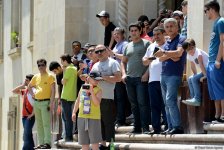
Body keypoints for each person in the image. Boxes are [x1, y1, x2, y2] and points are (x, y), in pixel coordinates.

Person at [154, 18, 186, 134]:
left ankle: (177, 126)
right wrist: (169, 54)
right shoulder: (167, 42)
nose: (169, 29)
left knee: (170, 100)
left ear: (177, 27)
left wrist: (165, 53)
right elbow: (162, 58)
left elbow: (178, 54)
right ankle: (170, 126)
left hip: (174, 75)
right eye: (167, 27)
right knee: (166, 102)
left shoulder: (182, 39)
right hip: (164, 74)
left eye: (172, 26)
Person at [121, 22, 150, 134]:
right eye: (131, 31)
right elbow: (123, 62)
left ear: (140, 31)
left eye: (135, 30)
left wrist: (146, 74)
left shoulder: (147, 44)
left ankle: (146, 128)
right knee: (134, 105)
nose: (133, 32)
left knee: (142, 104)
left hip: (141, 79)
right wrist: (123, 74)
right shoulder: (127, 46)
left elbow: (152, 60)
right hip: (129, 79)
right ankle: (137, 128)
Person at [91, 44, 121, 149]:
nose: (99, 53)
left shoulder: (113, 62)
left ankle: (111, 146)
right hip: (96, 98)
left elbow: (118, 78)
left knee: (109, 123)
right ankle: (102, 144)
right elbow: (92, 81)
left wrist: (103, 77)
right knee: (99, 123)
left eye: (101, 50)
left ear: (107, 51)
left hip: (108, 97)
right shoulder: (95, 65)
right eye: (97, 51)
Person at [142, 27, 167, 134]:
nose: (156, 37)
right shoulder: (151, 46)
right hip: (152, 80)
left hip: (165, 79)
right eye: (154, 35)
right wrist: (151, 58)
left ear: (163, 34)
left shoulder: (168, 45)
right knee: (154, 105)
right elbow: (144, 61)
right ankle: (156, 128)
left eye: (158, 34)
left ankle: (167, 126)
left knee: (165, 104)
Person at [28, 59, 55, 149]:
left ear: (45, 66)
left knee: (46, 123)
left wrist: (51, 103)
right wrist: (32, 95)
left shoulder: (50, 76)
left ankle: (47, 143)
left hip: (45, 102)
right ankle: (41, 143)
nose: (41, 67)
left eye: (42, 65)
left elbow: (53, 90)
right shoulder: (36, 76)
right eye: (39, 65)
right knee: (39, 124)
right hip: (37, 102)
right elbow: (29, 86)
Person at [204, 0, 224, 123]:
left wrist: (218, 60)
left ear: (212, 9)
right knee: (214, 91)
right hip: (211, 61)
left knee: (220, 89)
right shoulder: (215, 23)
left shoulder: (221, 22)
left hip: (217, 62)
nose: (205, 14)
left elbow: (223, 41)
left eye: (206, 11)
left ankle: (222, 115)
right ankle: (217, 115)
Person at [72, 76, 102, 150]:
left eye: (98, 80)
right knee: (84, 144)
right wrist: (74, 112)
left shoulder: (99, 90)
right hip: (82, 117)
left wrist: (91, 92)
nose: (97, 81)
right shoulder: (82, 88)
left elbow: (97, 103)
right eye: (95, 79)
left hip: (94, 118)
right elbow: (78, 100)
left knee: (95, 144)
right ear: (88, 78)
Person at [109, 27, 130, 127]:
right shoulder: (116, 45)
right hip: (115, 75)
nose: (116, 35)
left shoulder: (125, 44)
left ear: (122, 35)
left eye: (118, 33)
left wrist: (113, 54)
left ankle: (121, 119)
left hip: (122, 74)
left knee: (121, 98)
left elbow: (125, 57)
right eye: (114, 34)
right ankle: (119, 118)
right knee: (118, 98)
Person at [181, 39, 208, 106]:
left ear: (194, 46)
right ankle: (193, 98)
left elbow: (201, 65)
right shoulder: (189, 55)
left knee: (194, 79)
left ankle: (197, 99)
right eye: (187, 50)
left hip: (208, 70)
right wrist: (195, 75)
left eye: (191, 48)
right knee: (190, 78)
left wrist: (205, 76)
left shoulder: (198, 53)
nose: (190, 51)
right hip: (204, 70)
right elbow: (193, 66)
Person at [12, 74, 35, 150]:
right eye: (25, 80)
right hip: (24, 116)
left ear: (31, 81)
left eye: (27, 80)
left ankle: (24, 148)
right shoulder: (25, 91)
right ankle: (32, 148)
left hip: (30, 116)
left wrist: (32, 114)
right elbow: (14, 91)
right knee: (28, 134)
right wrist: (22, 86)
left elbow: (36, 103)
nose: (25, 81)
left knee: (26, 134)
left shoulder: (34, 90)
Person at [60, 54, 78, 141]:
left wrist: (64, 72)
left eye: (62, 61)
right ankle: (68, 136)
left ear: (64, 61)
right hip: (72, 95)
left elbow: (63, 81)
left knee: (66, 118)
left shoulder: (68, 69)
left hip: (66, 95)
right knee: (68, 117)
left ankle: (68, 137)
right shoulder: (74, 68)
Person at [49, 61, 65, 140]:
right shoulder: (58, 75)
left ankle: (65, 135)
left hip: (68, 97)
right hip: (62, 98)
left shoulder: (66, 72)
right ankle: (61, 135)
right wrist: (59, 98)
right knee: (61, 116)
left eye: (55, 71)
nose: (55, 73)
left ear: (59, 67)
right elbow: (59, 87)